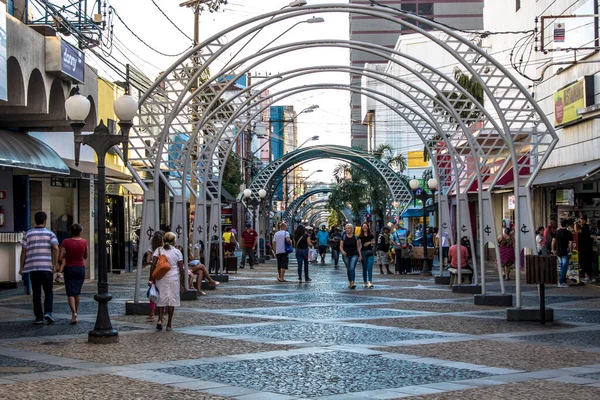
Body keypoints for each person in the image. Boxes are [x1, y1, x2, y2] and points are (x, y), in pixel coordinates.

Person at [19, 211, 59, 325]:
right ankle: (48, 312)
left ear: (35, 220)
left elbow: (23, 251)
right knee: (48, 292)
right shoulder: (50, 234)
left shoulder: (28, 234)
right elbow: (56, 248)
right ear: (45, 221)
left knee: (36, 293)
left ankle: (39, 317)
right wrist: (54, 264)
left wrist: (21, 267)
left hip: (33, 267)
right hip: (46, 267)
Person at [149, 232, 185, 331]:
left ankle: (160, 320)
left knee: (161, 299)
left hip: (161, 278)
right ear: (174, 241)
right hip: (174, 278)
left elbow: (153, 265)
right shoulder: (177, 252)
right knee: (171, 301)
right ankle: (169, 324)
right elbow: (181, 268)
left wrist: (150, 278)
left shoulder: (159, 250)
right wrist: (182, 283)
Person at [58, 223, 88, 325]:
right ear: (80, 232)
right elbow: (85, 256)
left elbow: (60, 256)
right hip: (80, 268)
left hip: (69, 268)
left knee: (70, 292)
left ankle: (74, 313)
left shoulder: (66, 242)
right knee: (77, 292)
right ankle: (76, 312)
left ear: (70, 231)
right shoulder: (84, 242)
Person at [146, 231, 164, 322]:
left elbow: (148, 260)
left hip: (154, 271)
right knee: (162, 292)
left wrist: (154, 262)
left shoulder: (151, 248)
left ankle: (152, 313)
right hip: (163, 272)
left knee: (153, 291)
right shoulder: (164, 248)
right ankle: (162, 313)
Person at [553, 219, 573, 288]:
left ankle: (562, 280)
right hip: (565, 252)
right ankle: (561, 282)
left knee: (562, 266)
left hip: (558, 252)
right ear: (566, 224)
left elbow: (553, 241)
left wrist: (553, 250)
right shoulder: (568, 233)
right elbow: (570, 244)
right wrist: (571, 251)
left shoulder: (557, 232)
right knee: (564, 267)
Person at [341, 223, 361, 289]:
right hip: (346, 255)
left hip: (354, 254)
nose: (347, 229)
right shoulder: (343, 237)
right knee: (348, 268)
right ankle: (350, 282)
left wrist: (360, 255)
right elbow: (341, 246)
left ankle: (352, 282)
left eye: (348, 228)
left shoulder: (355, 237)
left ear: (352, 229)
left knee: (352, 268)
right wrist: (342, 251)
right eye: (346, 228)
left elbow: (358, 247)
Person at [576, 215, 594, 283]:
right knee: (584, 262)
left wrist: (575, 224)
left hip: (586, 248)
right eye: (580, 219)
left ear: (585, 220)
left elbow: (577, 232)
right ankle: (587, 276)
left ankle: (588, 276)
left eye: (582, 219)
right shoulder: (583, 227)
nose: (581, 220)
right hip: (583, 248)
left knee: (587, 262)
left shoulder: (585, 227)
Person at [359, 223, 375, 288]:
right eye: (363, 226)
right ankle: (365, 281)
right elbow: (359, 246)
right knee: (364, 268)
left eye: (366, 226)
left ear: (368, 227)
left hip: (370, 252)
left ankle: (370, 281)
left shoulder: (371, 235)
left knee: (369, 267)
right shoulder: (360, 236)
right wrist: (360, 255)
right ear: (362, 228)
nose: (365, 228)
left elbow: (374, 242)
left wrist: (369, 242)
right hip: (363, 252)